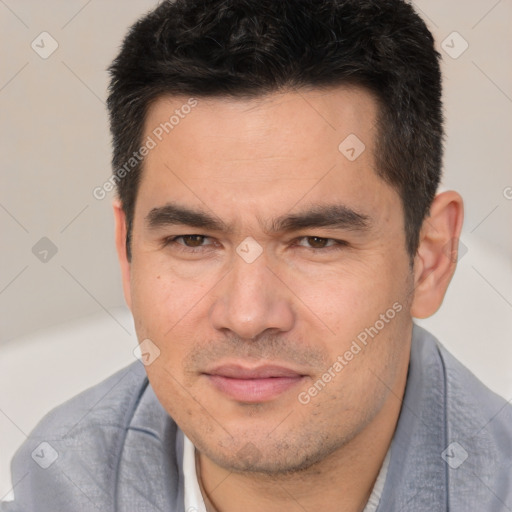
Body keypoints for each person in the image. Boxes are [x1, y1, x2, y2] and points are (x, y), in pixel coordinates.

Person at [3, 0, 511, 510]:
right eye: (193, 240)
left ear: (430, 259)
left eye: (317, 241)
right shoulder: (50, 488)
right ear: (127, 254)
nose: (247, 316)